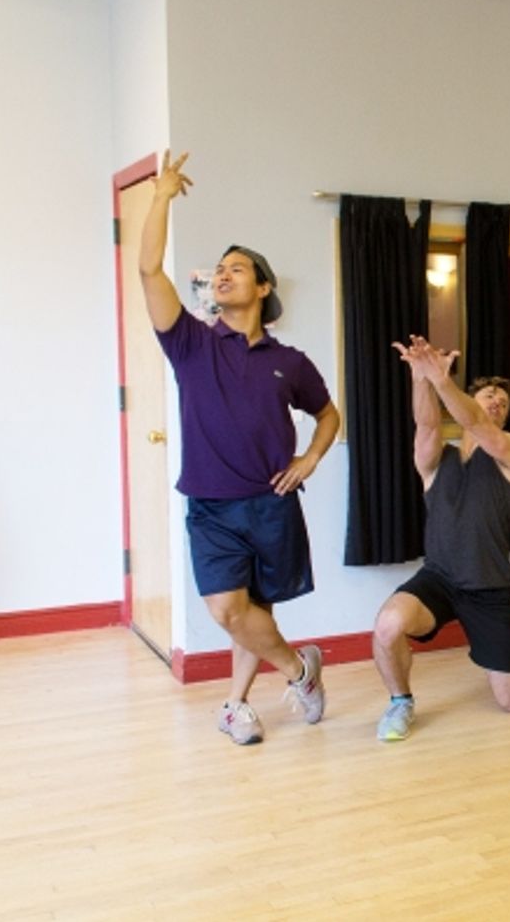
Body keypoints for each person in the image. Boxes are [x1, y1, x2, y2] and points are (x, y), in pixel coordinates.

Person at [138, 151, 340, 745]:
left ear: (264, 287)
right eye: (218, 270)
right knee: (227, 609)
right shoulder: (191, 344)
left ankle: (234, 704)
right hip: (212, 504)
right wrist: (161, 196)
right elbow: (150, 272)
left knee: (256, 613)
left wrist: (310, 458)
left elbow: (329, 415)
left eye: (237, 269)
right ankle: (301, 671)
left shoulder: (289, 362)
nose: (222, 275)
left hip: (272, 503)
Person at [371, 337, 510, 741]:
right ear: (470, 398)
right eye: (489, 396)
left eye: (503, 403)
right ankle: (400, 703)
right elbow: (428, 424)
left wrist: (442, 381)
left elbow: (477, 425)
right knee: (387, 625)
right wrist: (421, 378)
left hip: (489, 588)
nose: (496, 404)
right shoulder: (436, 462)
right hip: (439, 580)